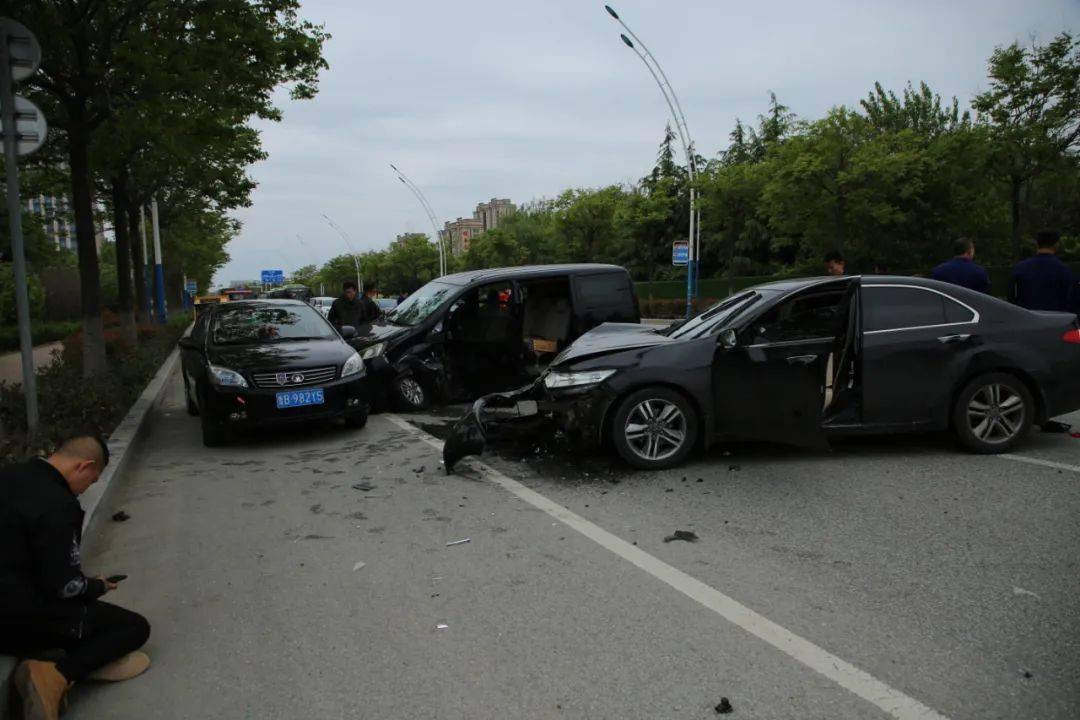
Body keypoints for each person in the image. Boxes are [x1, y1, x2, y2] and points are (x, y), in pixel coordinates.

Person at [0, 436, 151, 720]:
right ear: (85, 466)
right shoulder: (58, 504)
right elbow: (64, 586)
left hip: (11, 598)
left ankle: (72, 661)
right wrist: (96, 586)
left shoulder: (9, 476)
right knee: (134, 627)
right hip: (15, 616)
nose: (85, 490)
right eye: (91, 481)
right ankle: (54, 676)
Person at [1009, 228, 1079, 312]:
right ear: (1056, 244)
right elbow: (1071, 299)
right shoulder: (1063, 270)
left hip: (1027, 318)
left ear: (1037, 243)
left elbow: (1012, 296)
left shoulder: (1019, 268)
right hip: (1055, 319)